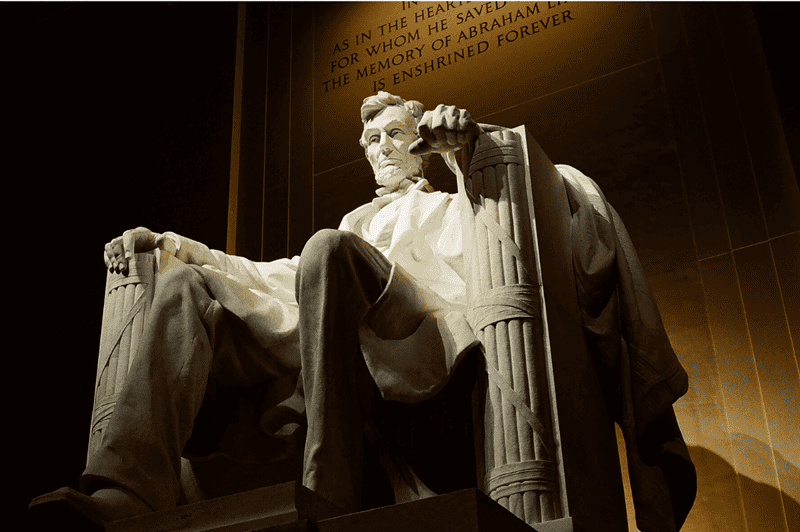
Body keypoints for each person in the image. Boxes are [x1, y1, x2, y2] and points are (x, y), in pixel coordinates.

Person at [28, 93, 487, 528]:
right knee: (185, 283)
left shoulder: (449, 205)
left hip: (405, 324)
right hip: (325, 315)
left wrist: (466, 148)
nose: (383, 146)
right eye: (373, 139)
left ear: (421, 147)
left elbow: (505, 212)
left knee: (328, 248)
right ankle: (128, 489)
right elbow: (269, 274)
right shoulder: (353, 223)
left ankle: (329, 482)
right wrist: (174, 245)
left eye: (396, 134)